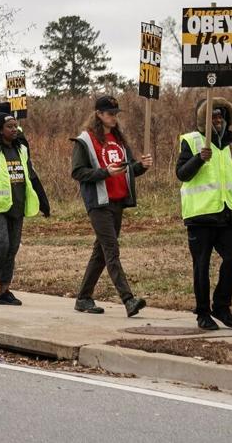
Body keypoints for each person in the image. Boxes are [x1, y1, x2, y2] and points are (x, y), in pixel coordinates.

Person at [70, 95, 151, 317]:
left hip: (118, 202)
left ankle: (83, 298)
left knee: (100, 253)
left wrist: (141, 166)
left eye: (116, 114)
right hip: (98, 204)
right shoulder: (85, 140)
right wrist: (105, 172)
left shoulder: (118, 140)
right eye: (110, 114)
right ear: (98, 114)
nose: (114, 117)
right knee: (111, 250)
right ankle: (128, 299)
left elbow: (128, 170)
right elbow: (77, 172)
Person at [175, 98, 232, 331]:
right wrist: (198, 159)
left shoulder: (226, 147)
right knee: (201, 266)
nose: (217, 121)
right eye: (213, 117)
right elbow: (182, 174)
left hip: (225, 215)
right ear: (203, 120)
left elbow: (231, 181)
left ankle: (221, 306)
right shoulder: (192, 141)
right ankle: (203, 313)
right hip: (201, 216)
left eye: (221, 116)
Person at [0, 112, 49, 305]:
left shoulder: (22, 149)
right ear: (0, 129)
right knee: (1, 243)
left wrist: (43, 200)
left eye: (15, 126)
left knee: (13, 248)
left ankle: (4, 291)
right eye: (9, 126)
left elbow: (30, 175)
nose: (14, 129)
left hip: (17, 205)